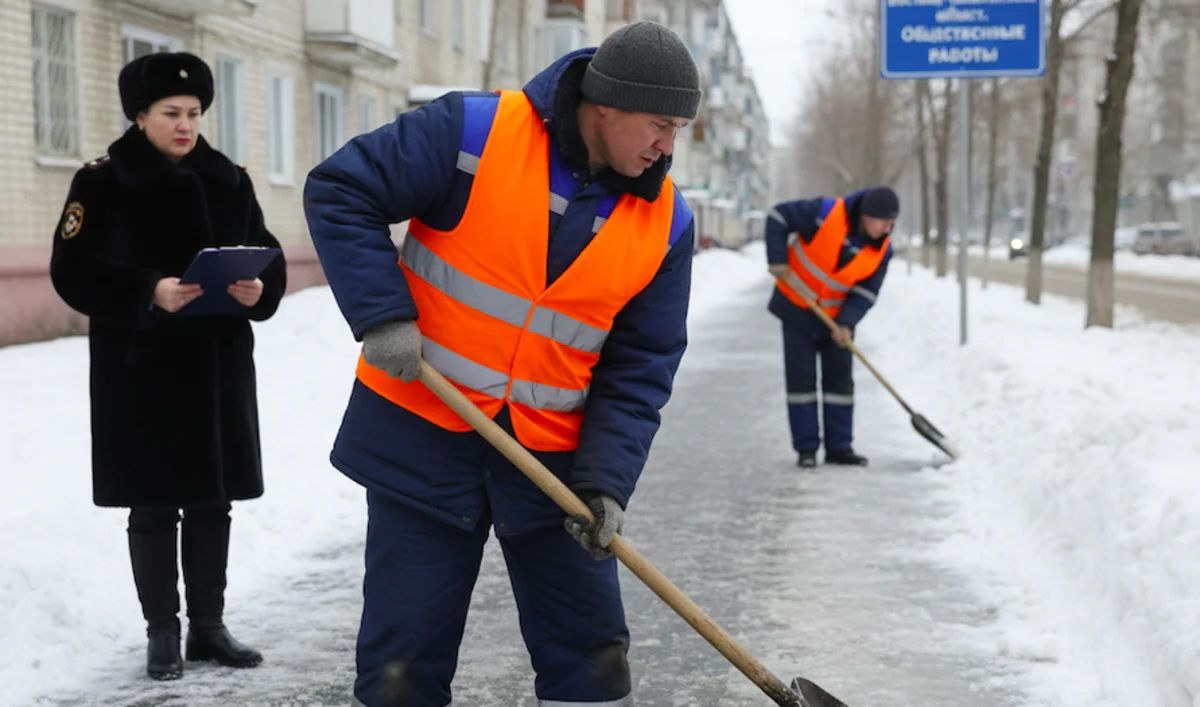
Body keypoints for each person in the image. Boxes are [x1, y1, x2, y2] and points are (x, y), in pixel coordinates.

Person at [303, 21, 699, 707]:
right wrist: (382, 314)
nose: (669, 146)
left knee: (594, 657)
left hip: (553, 467)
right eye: (660, 124)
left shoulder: (667, 223)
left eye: (678, 129)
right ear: (605, 104)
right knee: (402, 664)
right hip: (423, 434)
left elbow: (641, 366)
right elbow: (341, 189)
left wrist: (606, 482)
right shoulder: (472, 133)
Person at [49, 51, 288, 681]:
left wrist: (259, 290)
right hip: (143, 371)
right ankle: (163, 631)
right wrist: (148, 289)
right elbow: (71, 269)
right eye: (171, 113)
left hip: (218, 369)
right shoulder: (102, 181)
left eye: (195, 113)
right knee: (154, 506)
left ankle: (209, 626)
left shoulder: (228, 178)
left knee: (214, 502)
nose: (186, 125)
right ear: (140, 115)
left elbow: (266, 253)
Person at [765, 186, 898, 468]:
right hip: (797, 309)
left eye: (892, 222)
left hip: (836, 320)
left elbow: (866, 293)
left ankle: (839, 447)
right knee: (801, 381)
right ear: (866, 216)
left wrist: (847, 323)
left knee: (840, 383)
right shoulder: (824, 213)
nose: (888, 228)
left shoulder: (883, 251)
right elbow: (777, 217)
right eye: (883, 221)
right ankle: (807, 449)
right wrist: (777, 259)